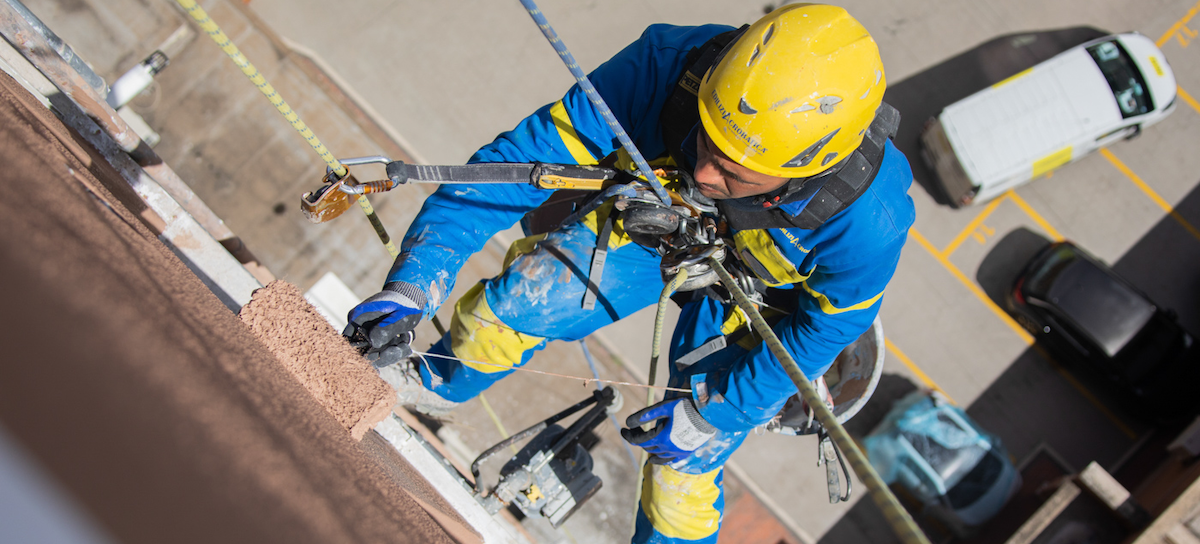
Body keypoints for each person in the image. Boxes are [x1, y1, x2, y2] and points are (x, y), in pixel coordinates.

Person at [345, 4, 915, 543]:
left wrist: (717, 411)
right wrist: (413, 283)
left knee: (682, 472)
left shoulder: (870, 220)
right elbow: (508, 171)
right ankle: (430, 383)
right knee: (517, 304)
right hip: (658, 235)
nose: (704, 170)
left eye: (734, 172)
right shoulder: (664, 67)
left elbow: (826, 329)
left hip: (761, 305)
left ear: (806, 171)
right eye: (704, 140)